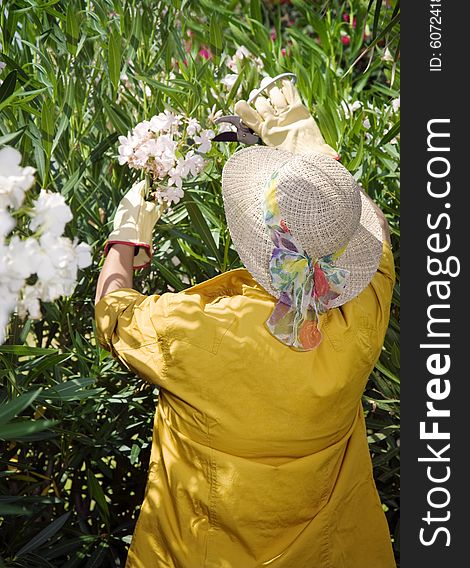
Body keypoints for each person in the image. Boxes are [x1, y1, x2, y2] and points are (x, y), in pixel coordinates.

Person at [94, 79, 396, 568]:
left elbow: (112, 312)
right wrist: (317, 160)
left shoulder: (199, 334)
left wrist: (126, 237)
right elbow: (375, 231)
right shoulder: (363, 311)